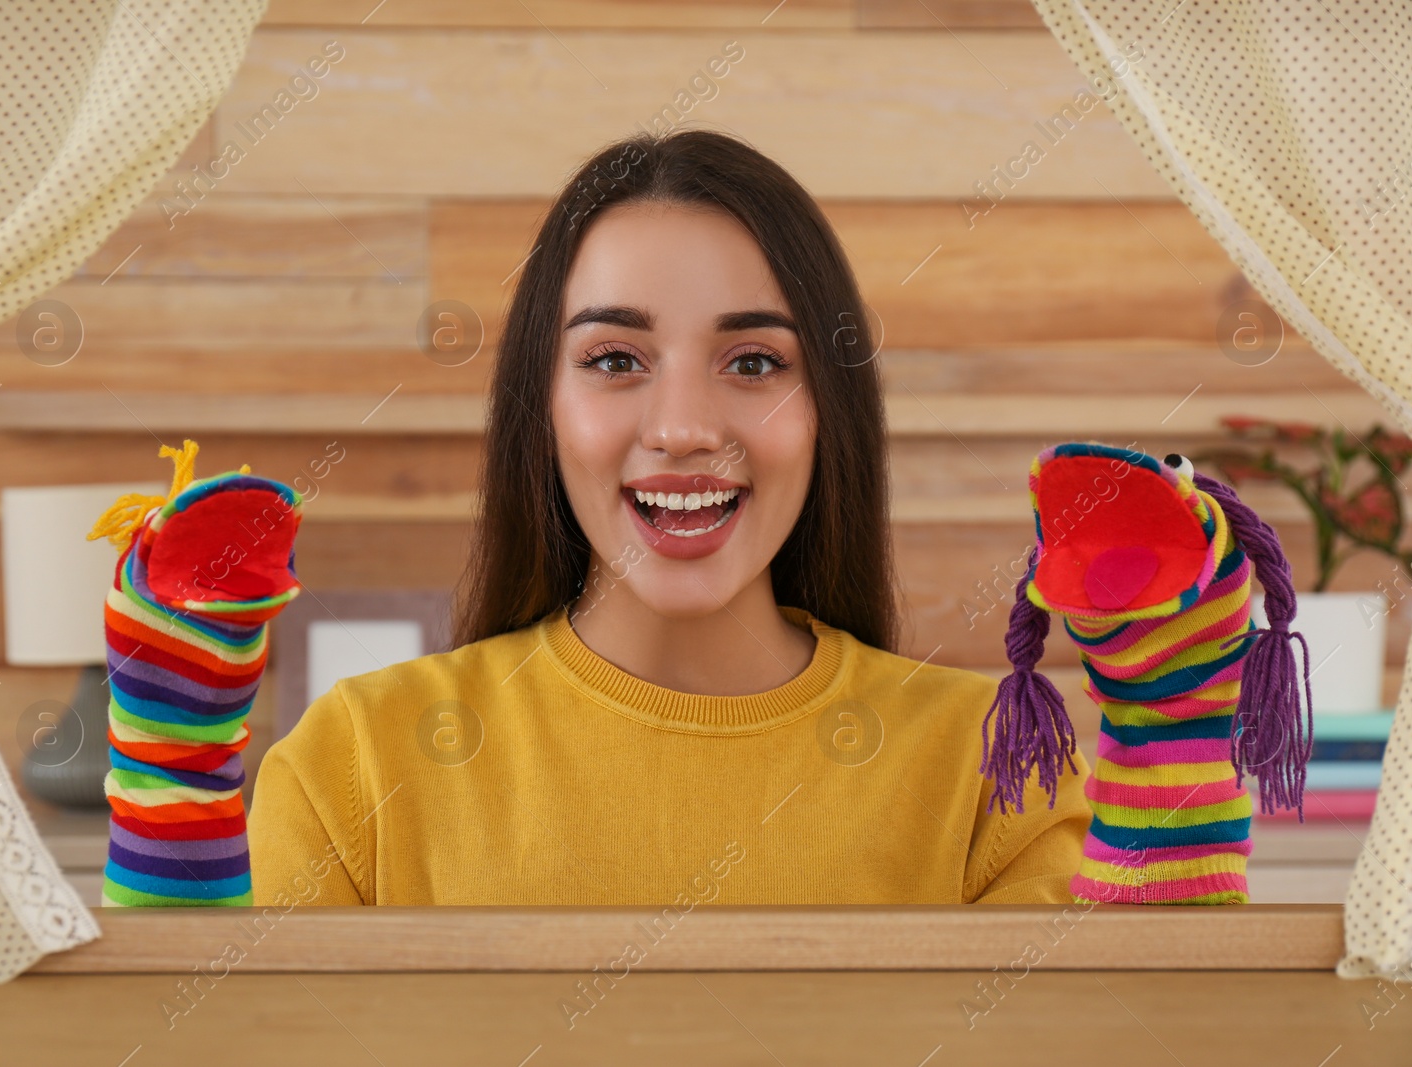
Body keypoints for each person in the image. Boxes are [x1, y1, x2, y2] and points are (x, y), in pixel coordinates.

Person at [246, 129, 1091, 906]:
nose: (683, 429)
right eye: (615, 359)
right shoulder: (352, 765)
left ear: (828, 410)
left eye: (755, 361)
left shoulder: (998, 770)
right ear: (539, 407)